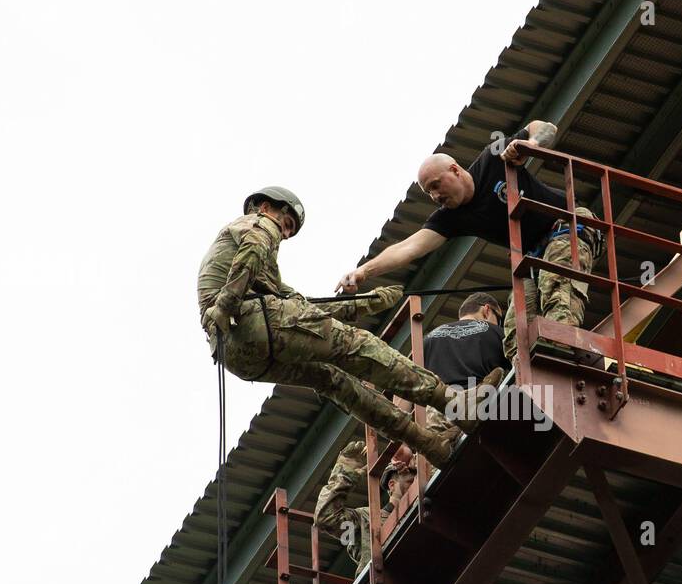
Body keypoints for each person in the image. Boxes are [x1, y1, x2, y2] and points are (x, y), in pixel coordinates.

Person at [197, 186, 490, 467]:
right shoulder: (257, 223)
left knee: (332, 380)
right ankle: (453, 402)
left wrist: (368, 303)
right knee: (359, 346)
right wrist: (226, 303)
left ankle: (426, 443)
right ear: (265, 207)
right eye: (285, 224)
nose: (284, 234)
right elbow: (256, 247)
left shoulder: (255, 274)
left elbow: (303, 312)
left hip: (237, 354)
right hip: (250, 318)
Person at [335, 122, 602, 360]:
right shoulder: (451, 218)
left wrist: (528, 145)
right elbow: (409, 247)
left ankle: (563, 354)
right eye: (428, 192)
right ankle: (533, 376)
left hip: (567, 225)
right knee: (515, 330)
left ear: (455, 170)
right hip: (534, 257)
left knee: (557, 290)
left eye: (436, 185)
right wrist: (363, 271)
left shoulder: (492, 159)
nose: (435, 195)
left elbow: (545, 128)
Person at [314, 440, 415, 574]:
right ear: (392, 485)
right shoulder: (366, 519)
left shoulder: (424, 507)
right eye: (410, 482)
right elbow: (325, 518)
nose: (415, 486)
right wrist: (345, 475)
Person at [421, 292, 510, 438]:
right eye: (498, 319)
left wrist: (400, 442)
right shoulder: (498, 333)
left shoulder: (427, 340)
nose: (498, 323)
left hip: (437, 414)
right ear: (487, 310)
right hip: (478, 406)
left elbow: (406, 388)